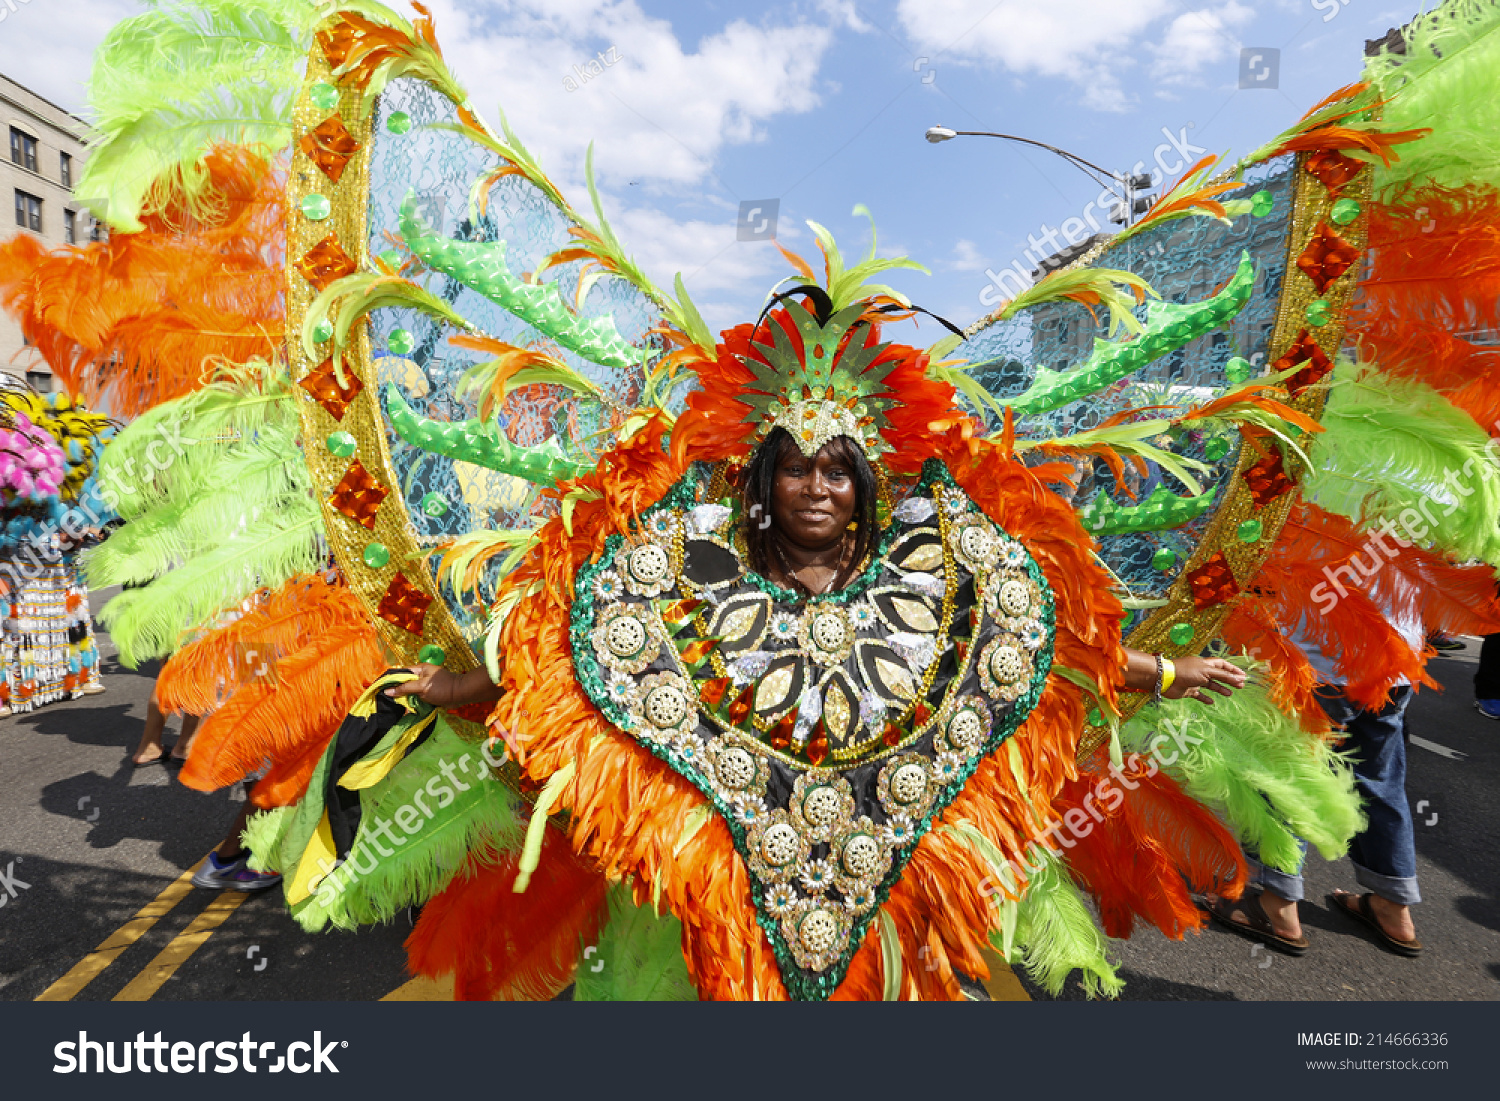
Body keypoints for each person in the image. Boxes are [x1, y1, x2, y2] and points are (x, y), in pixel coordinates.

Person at [390, 428, 1246, 710]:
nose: (815, 488)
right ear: (765, 480)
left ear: (861, 487)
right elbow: (584, 644)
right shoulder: (705, 566)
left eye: (837, 472)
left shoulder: (918, 571)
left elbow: (1027, 643)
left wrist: (1167, 668)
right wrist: (462, 686)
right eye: (795, 467)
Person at [1205, 610, 1424, 958]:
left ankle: (1275, 904)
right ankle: (1392, 906)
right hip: (1395, 657)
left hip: (1316, 659)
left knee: (1282, 776)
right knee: (1378, 782)